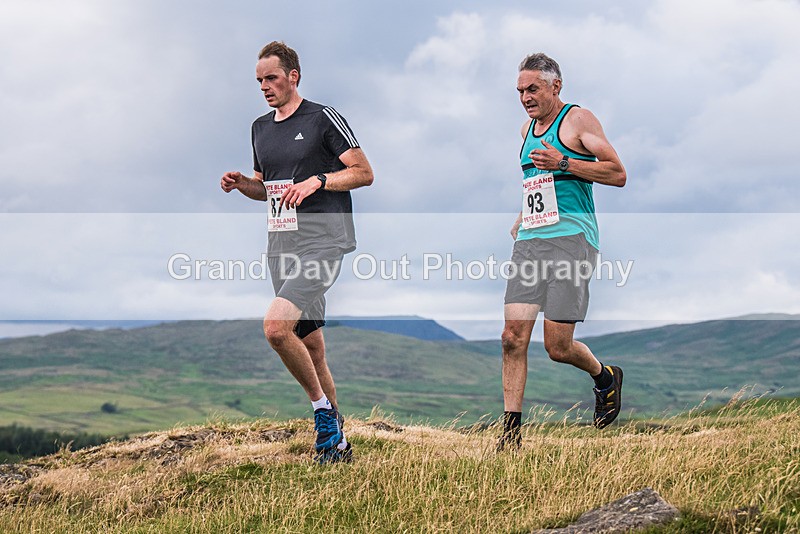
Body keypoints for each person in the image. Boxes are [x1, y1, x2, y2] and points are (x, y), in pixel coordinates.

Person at [221, 41, 374, 463]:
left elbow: (363, 173)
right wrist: (243, 185)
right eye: (259, 81)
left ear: (294, 76)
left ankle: (323, 416)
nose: (264, 87)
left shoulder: (323, 117)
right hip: (281, 244)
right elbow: (266, 188)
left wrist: (319, 181)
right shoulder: (260, 128)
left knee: (275, 328)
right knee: (311, 344)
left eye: (271, 78)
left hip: (325, 240)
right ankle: (338, 442)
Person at [498, 53, 627, 450]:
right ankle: (510, 434)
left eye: (532, 88)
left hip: (573, 241)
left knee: (557, 347)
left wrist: (565, 161)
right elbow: (537, 180)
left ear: (556, 86)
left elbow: (617, 173)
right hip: (532, 242)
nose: (525, 97)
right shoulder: (525, 130)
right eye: (520, 90)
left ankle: (604, 376)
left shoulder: (578, 120)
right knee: (511, 337)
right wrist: (523, 215)